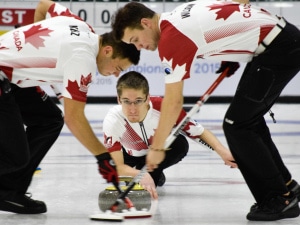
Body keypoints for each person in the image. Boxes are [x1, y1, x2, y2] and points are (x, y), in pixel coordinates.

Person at [111, 0, 300, 221]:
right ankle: (286, 186)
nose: (138, 47)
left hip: (280, 49)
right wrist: (233, 49)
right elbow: (238, 5)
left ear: (145, 23)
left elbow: (173, 103)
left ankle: (278, 199)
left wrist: (158, 146)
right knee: (248, 121)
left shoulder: (171, 38)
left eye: (135, 40)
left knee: (238, 125)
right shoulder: (180, 12)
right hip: (281, 40)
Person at [0, 0, 140, 214]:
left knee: (49, 120)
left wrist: (29, 52)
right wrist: (103, 157)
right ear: (108, 50)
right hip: (3, 79)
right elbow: (75, 119)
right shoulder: (82, 59)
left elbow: (44, 5)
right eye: (118, 67)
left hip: (11, 75)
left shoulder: (81, 25)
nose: (116, 74)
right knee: (15, 157)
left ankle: (9, 192)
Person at [102, 71, 237, 199]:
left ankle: (156, 171)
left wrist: (222, 151)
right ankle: (146, 174)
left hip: (158, 154)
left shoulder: (164, 108)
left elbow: (198, 131)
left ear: (147, 98)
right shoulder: (113, 120)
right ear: (119, 100)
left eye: (138, 101)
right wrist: (138, 174)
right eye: (126, 101)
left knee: (179, 144)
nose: (132, 109)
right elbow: (117, 165)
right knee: (134, 184)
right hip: (129, 157)